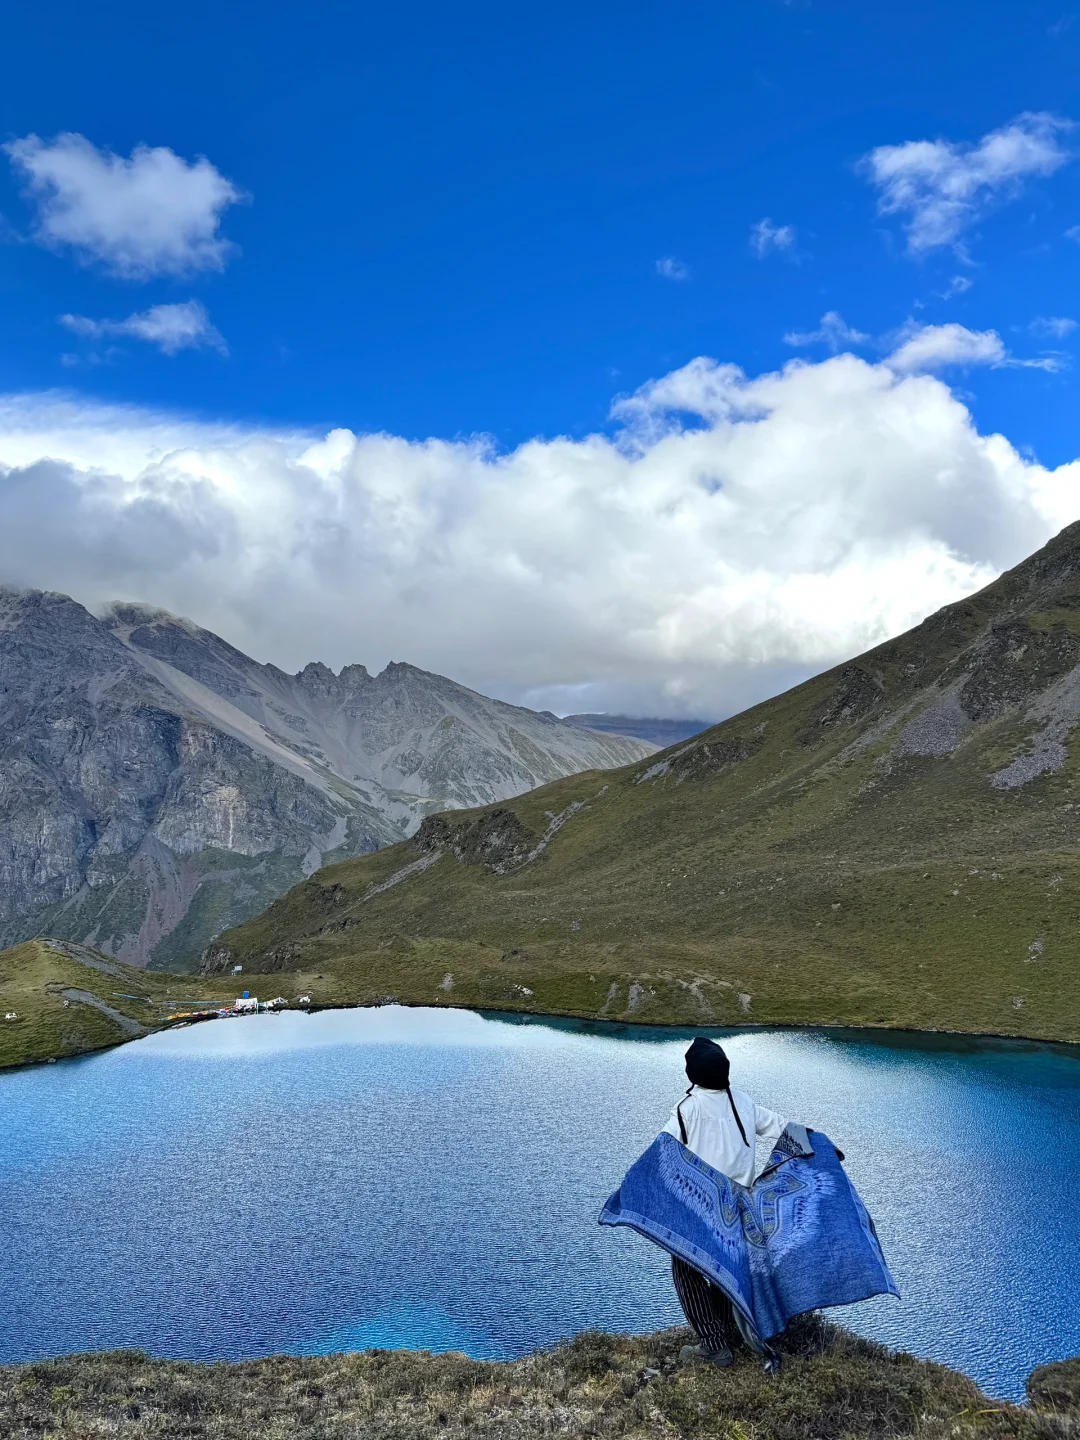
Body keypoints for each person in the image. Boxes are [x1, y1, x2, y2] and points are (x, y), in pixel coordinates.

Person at [661, 1036, 788, 1368]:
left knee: (685, 1268)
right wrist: (816, 1140)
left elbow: (661, 1155)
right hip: (739, 1211)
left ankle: (714, 1345)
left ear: (693, 1074)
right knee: (724, 1268)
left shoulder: (687, 1109)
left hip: (701, 1210)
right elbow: (779, 1126)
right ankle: (725, 1331)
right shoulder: (742, 1101)